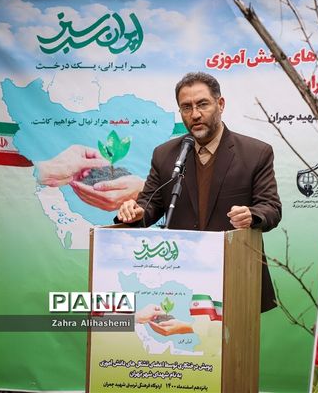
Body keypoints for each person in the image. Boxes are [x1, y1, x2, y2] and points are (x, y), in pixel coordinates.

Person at [116, 72, 281, 312]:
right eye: (186, 107)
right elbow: (150, 205)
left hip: (234, 275)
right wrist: (136, 212)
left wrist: (252, 215)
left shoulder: (256, 153)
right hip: (180, 279)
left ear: (220, 104)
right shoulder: (165, 155)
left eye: (202, 104)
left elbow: (271, 208)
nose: (195, 114)